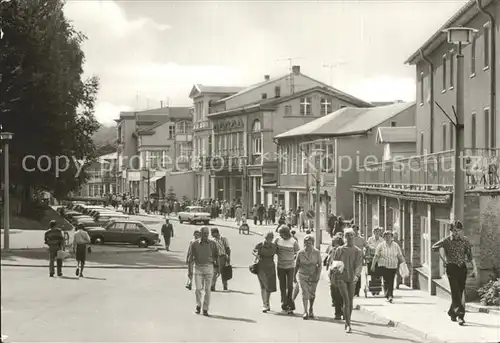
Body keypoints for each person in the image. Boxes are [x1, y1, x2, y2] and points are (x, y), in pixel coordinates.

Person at [432, 220, 477, 325]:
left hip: (462, 268)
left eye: (456, 230)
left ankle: (452, 312)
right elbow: (434, 247)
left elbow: (470, 256)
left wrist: (475, 268)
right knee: (455, 291)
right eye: (452, 230)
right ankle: (460, 315)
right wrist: (444, 261)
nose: (454, 233)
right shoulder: (446, 240)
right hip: (451, 268)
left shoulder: (465, 241)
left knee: (460, 291)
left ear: (460, 230)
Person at [331, 228, 363, 333]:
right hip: (341, 277)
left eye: (351, 235)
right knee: (346, 300)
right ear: (344, 237)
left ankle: (347, 320)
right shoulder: (340, 249)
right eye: (347, 235)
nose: (349, 237)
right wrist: (335, 272)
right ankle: (348, 324)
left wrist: (357, 275)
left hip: (352, 278)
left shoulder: (357, 251)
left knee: (350, 300)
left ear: (354, 237)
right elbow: (335, 263)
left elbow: (359, 265)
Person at [187, 227, 218, 316]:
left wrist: (217, 268)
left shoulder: (212, 244)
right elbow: (190, 259)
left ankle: (205, 308)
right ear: (200, 234)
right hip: (198, 268)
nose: (206, 236)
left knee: (208, 289)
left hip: (209, 267)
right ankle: (198, 305)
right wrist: (190, 271)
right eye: (204, 234)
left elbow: (216, 256)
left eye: (207, 234)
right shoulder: (194, 244)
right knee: (198, 289)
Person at [371, 230, 405, 303]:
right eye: (386, 237)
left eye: (389, 236)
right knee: (386, 280)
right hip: (384, 265)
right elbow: (376, 256)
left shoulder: (395, 245)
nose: (387, 238)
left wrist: (403, 263)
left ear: (392, 237)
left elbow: (400, 255)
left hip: (393, 265)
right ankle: (388, 296)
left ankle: (389, 295)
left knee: (391, 281)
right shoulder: (380, 245)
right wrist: (373, 265)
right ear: (383, 237)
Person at [294, 235, 322, 319]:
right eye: (306, 243)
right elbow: (296, 265)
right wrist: (294, 276)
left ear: (312, 243)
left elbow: (320, 265)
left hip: (313, 275)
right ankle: (305, 311)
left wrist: (317, 275)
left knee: (312, 294)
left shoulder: (316, 252)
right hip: (302, 274)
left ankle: (311, 309)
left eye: (309, 243)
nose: (307, 244)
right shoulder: (300, 252)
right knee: (304, 292)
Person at [275, 225, 300, 314]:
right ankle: (284, 303)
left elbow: (298, 252)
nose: (280, 235)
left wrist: (294, 257)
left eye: (281, 234)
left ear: (286, 233)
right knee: (282, 286)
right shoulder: (277, 240)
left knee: (290, 286)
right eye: (279, 234)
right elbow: (275, 250)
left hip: (290, 267)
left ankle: (289, 303)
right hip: (280, 266)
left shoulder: (293, 241)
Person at [253, 231, 278, 312]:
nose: (268, 240)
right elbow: (254, 251)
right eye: (267, 238)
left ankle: (267, 303)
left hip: (271, 266)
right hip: (261, 266)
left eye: (270, 238)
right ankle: (265, 304)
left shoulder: (274, 246)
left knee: (269, 286)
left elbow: (280, 252)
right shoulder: (260, 245)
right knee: (263, 286)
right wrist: (256, 254)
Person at [326, 234, 345, 319]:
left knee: (341, 293)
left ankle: (341, 312)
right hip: (333, 273)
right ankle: (338, 311)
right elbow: (329, 261)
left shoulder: (344, 250)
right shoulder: (332, 250)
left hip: (342, 273)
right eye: (335, 243)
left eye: (338, 243)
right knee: (335, 292)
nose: (336, 245)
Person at [353, 225, 368, 296]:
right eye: (353, 230)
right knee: (352, 275)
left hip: (359, 259)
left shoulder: (361, 239)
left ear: (357, 230)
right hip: (351, 259)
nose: (354, 231)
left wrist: (366, 255)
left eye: (355, 230)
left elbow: (367, 246)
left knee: (358, 275)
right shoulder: (350, 239)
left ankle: (357, 292)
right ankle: (352, 291)